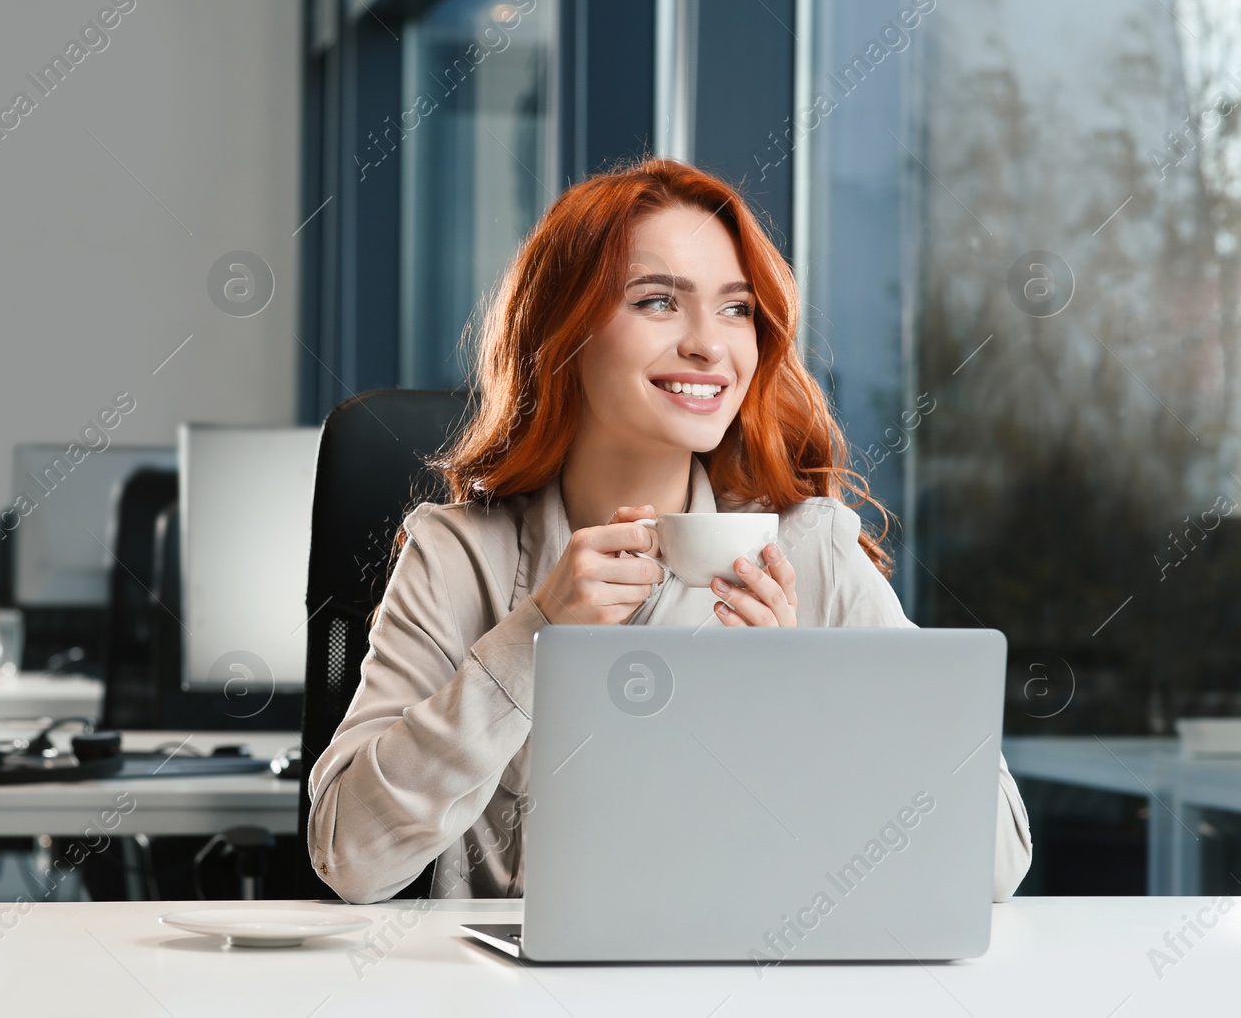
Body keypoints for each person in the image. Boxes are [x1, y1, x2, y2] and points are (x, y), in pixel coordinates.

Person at [307, 157, 1032, 904]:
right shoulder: (460, 556)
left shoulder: (810, 549)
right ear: (563, 332)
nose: (709, 345)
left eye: (736, 308)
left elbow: (995, 857)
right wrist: (531, 639)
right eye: (657, 301)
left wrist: (806, 702)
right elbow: (350, 857)